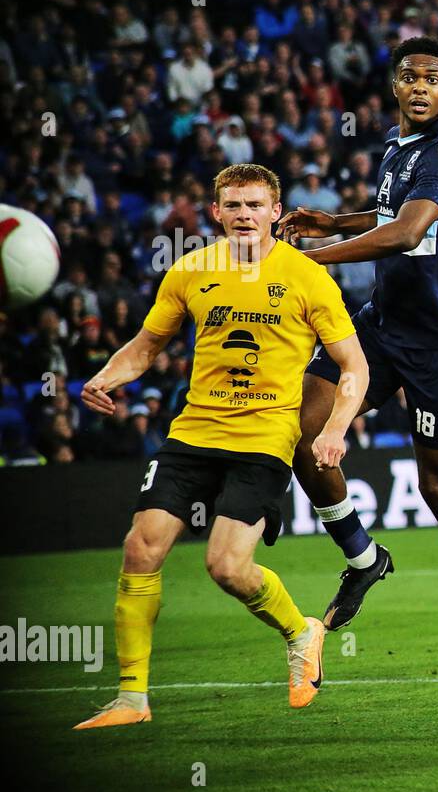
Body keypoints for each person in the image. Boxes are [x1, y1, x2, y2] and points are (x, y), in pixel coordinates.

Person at [74, 163, 368, 729]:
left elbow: (354, 365)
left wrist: (333, 429)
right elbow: (146, 345)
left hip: (265, 437)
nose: (244, 216)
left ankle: (301, 630)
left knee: (227, 567)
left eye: (256, 206)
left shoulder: (308, 277)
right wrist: (107, 376)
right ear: (216, 213)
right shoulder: (190, 271)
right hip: (193, 432)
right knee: (141, 549)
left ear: (276, 213)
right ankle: (131, 698)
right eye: (233, 206)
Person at [278, 37, 438, 684]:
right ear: (394, 87)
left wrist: (314, 258)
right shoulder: (397, 144)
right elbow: (393, 212)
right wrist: (335, 223)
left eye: (432, 78)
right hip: (384, 326)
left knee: (437, 487)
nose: (419, 86)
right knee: (303, 427)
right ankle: (362, 558)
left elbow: (411, 232)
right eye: (408, 76)